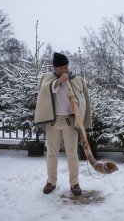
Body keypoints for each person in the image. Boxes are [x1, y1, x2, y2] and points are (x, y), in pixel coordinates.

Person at [34, 52, 92, 196]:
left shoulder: (77, 80)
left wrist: (78, 105)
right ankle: (51, 182)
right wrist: (59, 81)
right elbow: (44, 93)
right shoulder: (48, 78)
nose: (65, 70)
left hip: (70, 121)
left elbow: (84, 98)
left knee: (72, 154)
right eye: (61, 68)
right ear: (55, 68)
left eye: (66, 67)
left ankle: (75, 183)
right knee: (52, 154)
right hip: (53, 122)